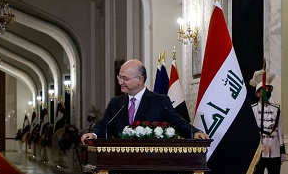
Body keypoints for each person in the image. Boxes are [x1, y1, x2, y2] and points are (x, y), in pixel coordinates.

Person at [81, 59, 210, 144]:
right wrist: (93, 134)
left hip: (150, 163)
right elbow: (104, 124)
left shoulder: (158, 101)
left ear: (140, 79)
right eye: (119, 77)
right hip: (120, 163)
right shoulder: (116, 103)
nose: (120, 82)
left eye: (125, 78)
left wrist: (195, 132)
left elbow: (177, 122)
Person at [250, 72, 286, 174]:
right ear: (258, 93)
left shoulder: (276, 109)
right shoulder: (252, 109)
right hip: (259, 151)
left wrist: (282, 150)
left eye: (269, 90)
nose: (267, 93)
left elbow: (281, 131)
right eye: (264, 90)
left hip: (274, 151)